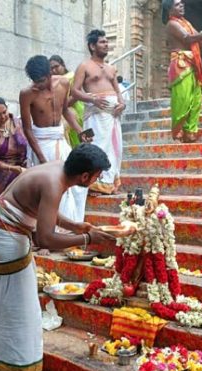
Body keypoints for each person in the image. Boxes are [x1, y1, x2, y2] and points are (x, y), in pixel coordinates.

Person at [0, 143, 115, 371]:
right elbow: (45, 239)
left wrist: (76, 226)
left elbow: (43, 211)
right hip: (6, 235)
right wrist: (87, 239)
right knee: (24, 307)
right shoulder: (54, 183)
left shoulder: (56, 170)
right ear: (85, 176)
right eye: (96, 176)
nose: (97, 180)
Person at [20, 55, 90, 225]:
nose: (39, 85)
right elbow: (27, 130)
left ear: (50, 74)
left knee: (76, 183)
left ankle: (72, 226)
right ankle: (50, 231)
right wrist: (42, 159)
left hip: (60, 140)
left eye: (42, 80)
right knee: (51, 188)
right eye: (35, 81)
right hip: (41, 143)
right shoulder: (27, 94)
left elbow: (65, 110)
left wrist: (80, 131)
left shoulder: (64, 84)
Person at [71, 30, 125, 194]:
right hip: (95, 115)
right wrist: (93, 100)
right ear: (92, 46)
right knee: (97, 147)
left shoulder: (111, 68)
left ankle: (109, 184)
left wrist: (121, 104)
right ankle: (95, 184)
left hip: (112, 115)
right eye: (102, 42)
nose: (106, 45)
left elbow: (118, 91)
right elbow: (75, 91)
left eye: (107, 42)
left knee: (116, 149)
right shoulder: (84, 66)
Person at [162, 1, 202, 143]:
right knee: (183, 100)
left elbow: (198, 41)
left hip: (192, 64)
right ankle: (178, 133)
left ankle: (190, 133)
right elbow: (188, 39)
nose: (182, 5)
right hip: (180, 65)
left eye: (182, 3)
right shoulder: (171, 24)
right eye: (177, 5)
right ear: (169, 10)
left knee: (196, 101)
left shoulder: (186, 23)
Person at [49, 55, 85, 149]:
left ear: (63, 65)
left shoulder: (71, 77)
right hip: (62, 115)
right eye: (51, 68)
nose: (54, 70)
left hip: (76, 111)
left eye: (56, 67)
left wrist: (62, 106)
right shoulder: (51, 83)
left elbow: (76, 94)